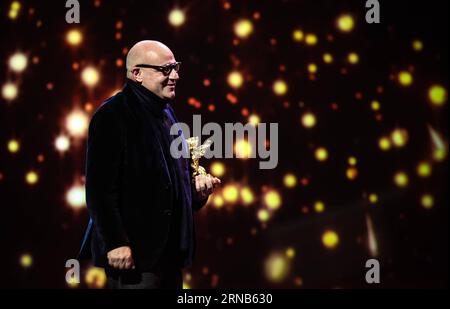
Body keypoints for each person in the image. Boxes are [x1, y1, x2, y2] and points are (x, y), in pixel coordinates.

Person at [78, 40, 221, 289]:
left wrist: (196, 192)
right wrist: (115, 242)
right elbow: (99, 190)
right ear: (137, 74)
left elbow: (172, 182)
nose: (175, 75)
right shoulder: (112, 115)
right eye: (166, 69)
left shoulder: (166, 114)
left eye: (175, 67)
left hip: (167, 259)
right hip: (134, 259)